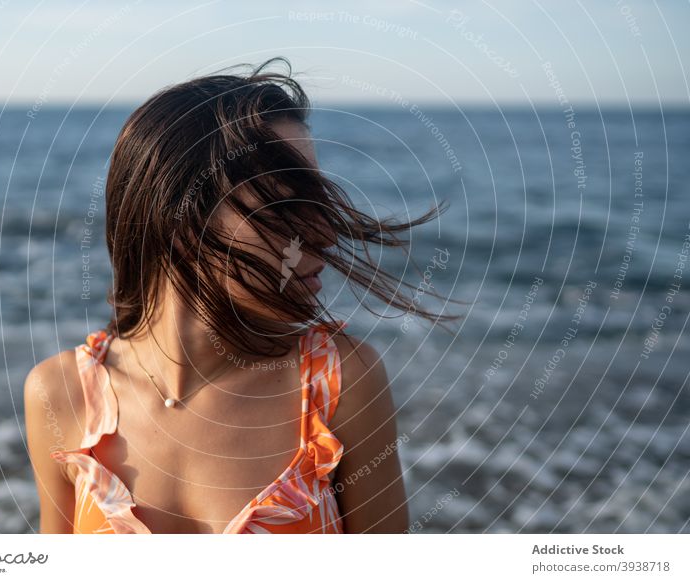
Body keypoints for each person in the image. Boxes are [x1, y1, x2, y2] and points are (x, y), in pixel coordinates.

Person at [24, 56, 456, 534]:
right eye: (289, 200)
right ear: (181, 218)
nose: (325, 231)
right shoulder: (60, 396)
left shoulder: (338, 387)